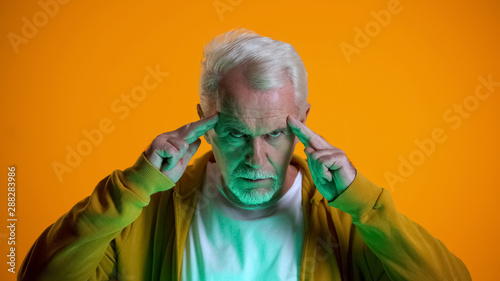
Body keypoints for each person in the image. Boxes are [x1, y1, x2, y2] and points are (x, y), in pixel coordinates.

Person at [18, 28, 472, 281]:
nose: (257, 158)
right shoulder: (146, 210)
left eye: (275, 133)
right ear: (205, 122)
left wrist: (362, 202)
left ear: (304, 118)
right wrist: (134, 187)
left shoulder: (346, 221)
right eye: (235, 133)